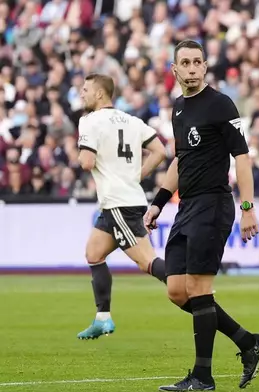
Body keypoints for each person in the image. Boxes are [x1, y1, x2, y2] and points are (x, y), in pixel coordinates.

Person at [144, 39, 259, 392]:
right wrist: (158, 201)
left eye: (197, 62)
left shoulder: (220, 104)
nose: (192, 68)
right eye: (184, 63)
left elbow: (242, 158)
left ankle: (203, 377)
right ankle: (247, 342)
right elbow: (180, 161)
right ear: (175, 70)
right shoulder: (179, 109)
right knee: (176, 290)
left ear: (204, 66)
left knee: (199, 288)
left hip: (214, 205)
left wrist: (247, 208)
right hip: (187, 207)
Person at [76, 73, 167, 340]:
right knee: (94, 253)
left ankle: (188, 284)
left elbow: (86, 163)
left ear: (100, 94)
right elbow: (160, 151)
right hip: (119, 202)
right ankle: (102, 318)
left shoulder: (89, 121)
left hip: (119, 203)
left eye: (85, 89)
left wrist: (80, 150)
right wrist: (137, 175)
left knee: (147, 262)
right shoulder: (132, 120)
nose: (81, 94)